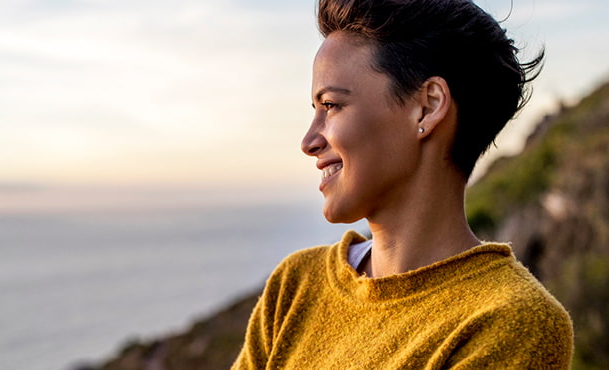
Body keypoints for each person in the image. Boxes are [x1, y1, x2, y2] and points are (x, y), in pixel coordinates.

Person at [233, 0, 574, 368]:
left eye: (330, 105)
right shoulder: (296, 286)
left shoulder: (509, 322)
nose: (309, 140)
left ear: (427, 107)